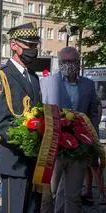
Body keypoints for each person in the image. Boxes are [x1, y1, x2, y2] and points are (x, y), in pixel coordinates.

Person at [0, 22, 42, 213]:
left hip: (35, 160)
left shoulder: (33, 77)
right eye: (29, 45)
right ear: (14, 45)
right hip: (15, 159)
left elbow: (38, 115)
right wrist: (29, 142)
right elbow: (2, 121)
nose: (33, 50)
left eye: (35, 46)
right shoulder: (1, 75)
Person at [40, 46, 100, 213]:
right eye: (64, 61)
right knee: (47, 195)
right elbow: (38, 113)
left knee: (73, 195)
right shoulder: (46, 83)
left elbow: (94, 111)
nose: (68, 65)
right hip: (53, 148)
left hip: (79, 149)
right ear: (59, 63)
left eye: (71, 61)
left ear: (78, 63)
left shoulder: (88, 85)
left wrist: (91, 139)